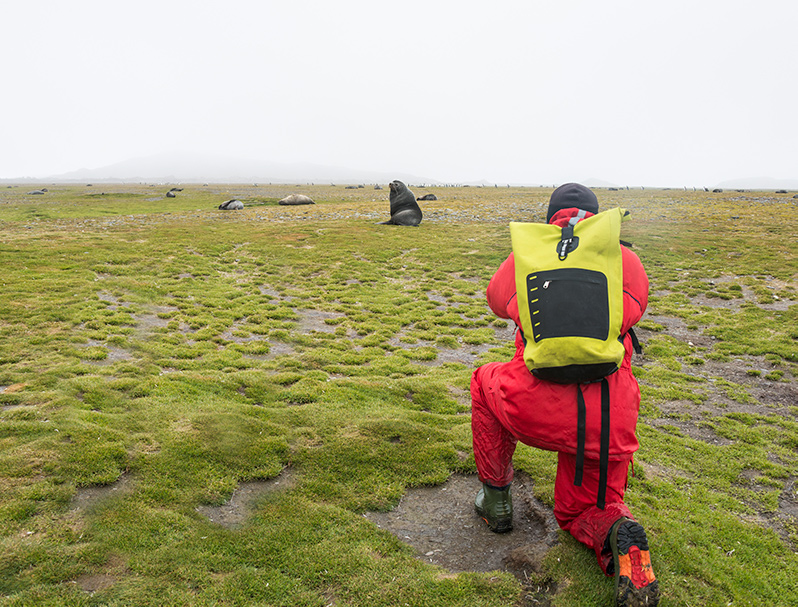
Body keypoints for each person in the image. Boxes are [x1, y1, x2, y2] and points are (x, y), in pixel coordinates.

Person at [470, 183, 660, 606]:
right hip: (608, 418)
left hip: (532, 404)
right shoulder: (624, 258)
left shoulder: (529, 254)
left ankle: (496, 498)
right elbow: (636, 306)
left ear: (550, 217)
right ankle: (622, 540)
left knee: (483, 381)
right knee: (582, 511)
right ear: (599, 218)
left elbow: (496, 301)